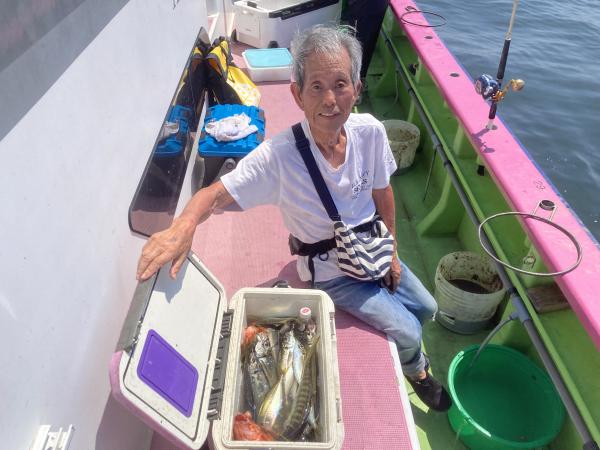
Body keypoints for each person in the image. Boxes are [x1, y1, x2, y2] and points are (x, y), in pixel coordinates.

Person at [136, 25, 451, 412]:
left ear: (357, 88)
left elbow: (383, 192)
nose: (330, 99)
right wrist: (183, 226)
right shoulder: (279, 158)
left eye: (340, 84)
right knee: (410, 330)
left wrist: (394, 252)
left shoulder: (370, 132)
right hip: (332, 273)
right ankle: (417, 371)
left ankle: (408, 340)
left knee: (428, 308)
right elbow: (214, 193)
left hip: (373, 247)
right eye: (316, 86)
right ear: (297, 94)